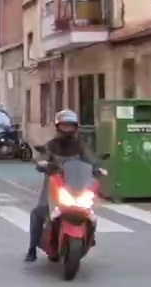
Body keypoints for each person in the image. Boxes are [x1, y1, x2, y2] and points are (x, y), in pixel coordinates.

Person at [26, 109, 102, 262]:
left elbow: (90, 160)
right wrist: (42, 163)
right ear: (58, 127)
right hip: (54, 185)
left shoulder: (81, 146)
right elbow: (42, 156)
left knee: (90, 211)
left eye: (70, 126)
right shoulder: (51, 146)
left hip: (77, 185)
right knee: (39, 211)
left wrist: (97, 167)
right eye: (64, 126)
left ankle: (89, 237)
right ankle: (32, 248)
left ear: (75, 128)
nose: (67, 129)